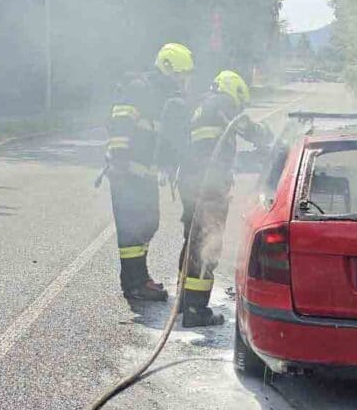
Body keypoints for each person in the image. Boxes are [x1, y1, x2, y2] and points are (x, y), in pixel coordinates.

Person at [178, 69, 270, 327]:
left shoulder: (203, 106)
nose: (239, 106)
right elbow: (245, 127)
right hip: (208, 188)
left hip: (191, 184)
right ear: (234, 90)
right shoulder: (221, 104)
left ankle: (184, 302)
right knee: (208, 245)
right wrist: (267, 138)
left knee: (192, 240)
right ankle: (196, 310)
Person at [105, 42, 194, 301]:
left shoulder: (165, 98)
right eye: (180, 75)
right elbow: (120, 120)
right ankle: (134, 285)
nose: (182, 81)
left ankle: (139, 278)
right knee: (132, 228)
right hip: (126, 172)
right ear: (167, 68)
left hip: (144, 174)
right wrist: (120, 161)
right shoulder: (140, 88)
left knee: (148, 222)